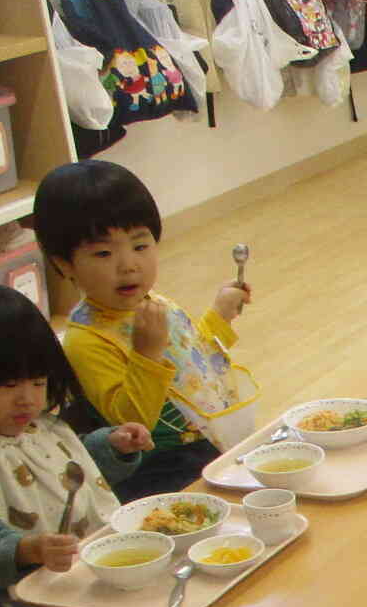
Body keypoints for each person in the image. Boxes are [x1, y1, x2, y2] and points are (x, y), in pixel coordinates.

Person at [34, 160, 257, 500]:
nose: (129, 265)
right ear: (65, 264)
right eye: (104, 253)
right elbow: (132, 425)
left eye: (140, 246)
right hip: (158, 469)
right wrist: (146, 353)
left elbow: (191, 361)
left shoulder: (153, 301)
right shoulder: (85, 340)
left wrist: (220, 317)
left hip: (209, 438)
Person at [0, 285, 151, 598]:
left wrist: (113, 446)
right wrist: (28, 549)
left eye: (39, 382)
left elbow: (71, 472)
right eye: (8, 384)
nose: (27, 400)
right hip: (13, 605)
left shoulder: (41, 425)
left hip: (87, 573)